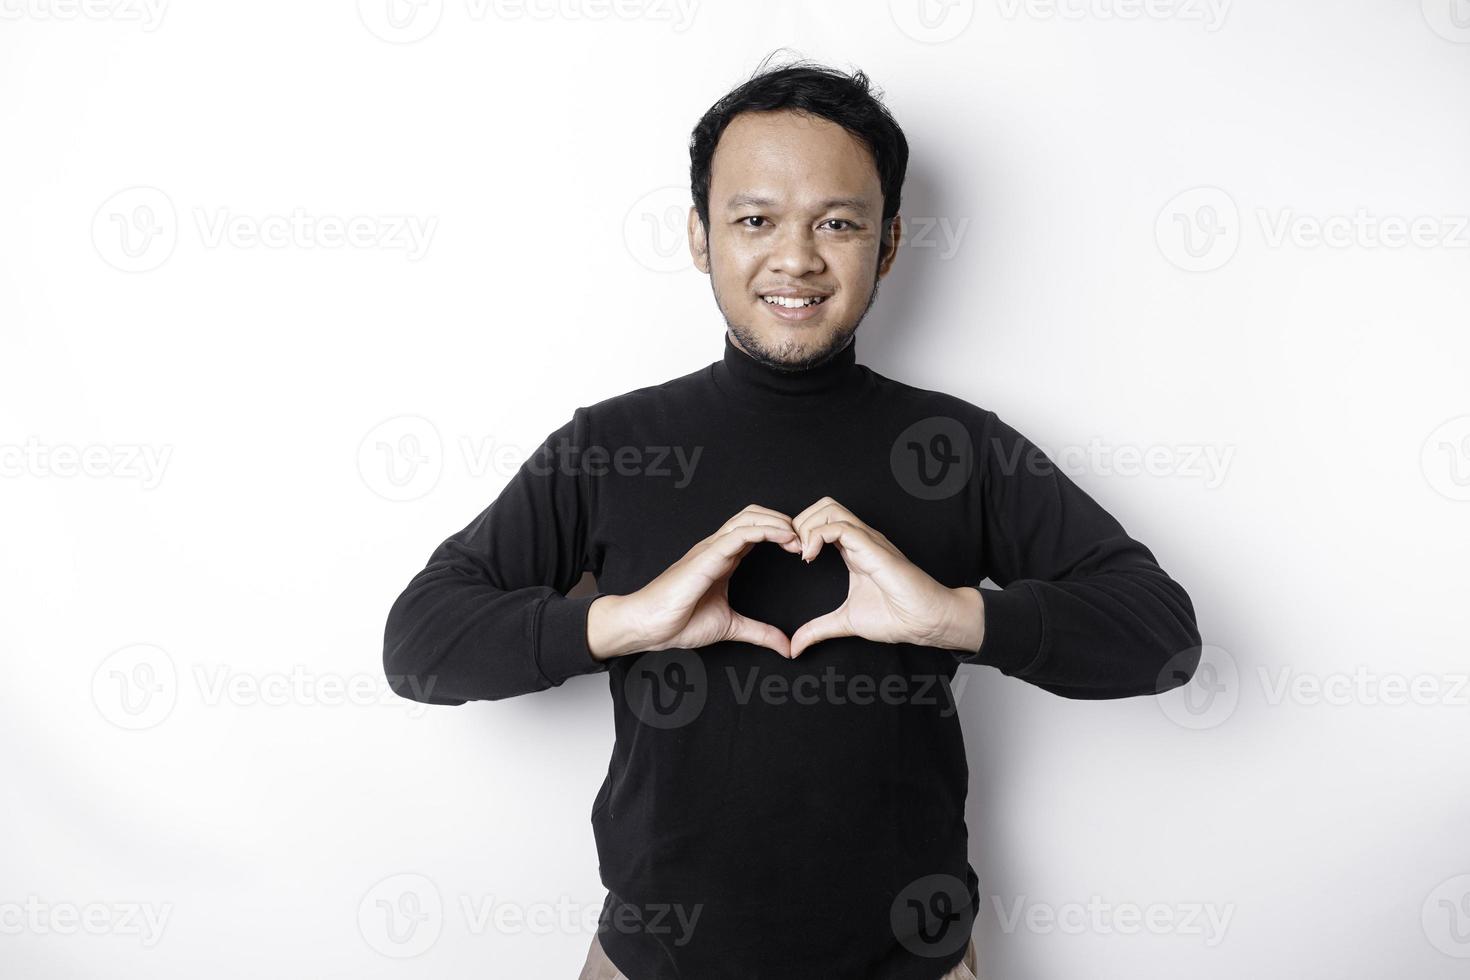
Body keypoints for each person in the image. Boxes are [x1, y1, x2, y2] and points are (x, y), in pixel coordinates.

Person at [383, 53, 1202, 980]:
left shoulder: (957, 447)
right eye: (754, 219)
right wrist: (622, 622)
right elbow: (419, 645)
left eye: (839, 223)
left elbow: (1162, 637)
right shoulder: (611, 445)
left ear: (887, 244)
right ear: (701, 236)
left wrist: (951, 615)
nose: (796, 257)